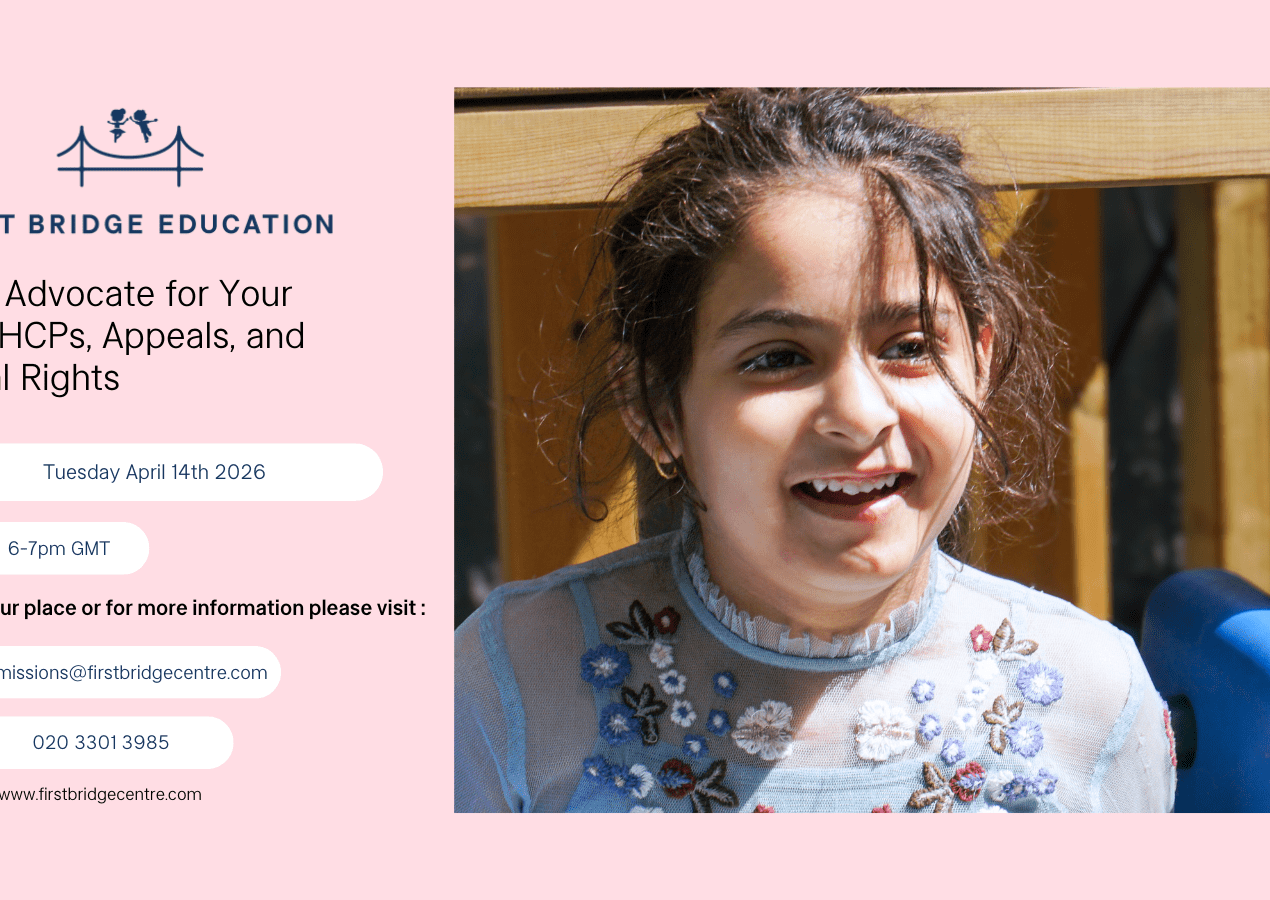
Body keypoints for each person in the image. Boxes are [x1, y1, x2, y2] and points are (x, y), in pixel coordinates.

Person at [454, 89, 1176, 813]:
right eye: (777, 358)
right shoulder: (512, 688)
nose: (860, 417)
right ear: (655, 406)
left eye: (911, 347)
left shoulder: (1089, 697)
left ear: (979, 366)